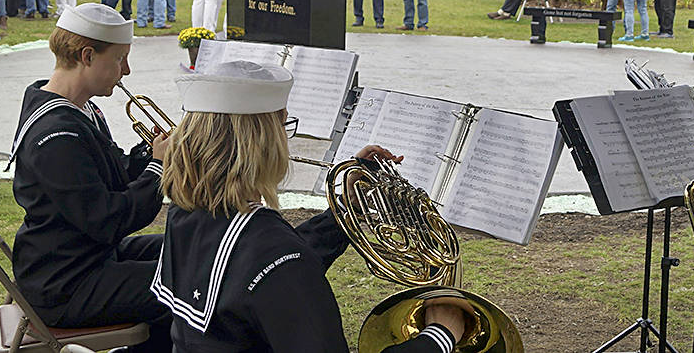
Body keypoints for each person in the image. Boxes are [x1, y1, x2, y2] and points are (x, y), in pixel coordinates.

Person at [153, 60, 466, 353]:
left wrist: (345, 209)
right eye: (283, 126)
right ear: (262, 142)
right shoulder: (274, 252)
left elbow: (261, 269)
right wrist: (438, 336)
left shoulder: (186, 212)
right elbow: (280, 266)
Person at [8, 3, 170, 351]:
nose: (125, 71)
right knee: (190, 282)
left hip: (82, 255)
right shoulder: (57, 135)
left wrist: (149, 154)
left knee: (188, 249)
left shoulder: (79, 109)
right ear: (87, 56)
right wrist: (158, 169)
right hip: (65, 282)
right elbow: (108, 219)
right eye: (119, 59)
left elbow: (108, 176)